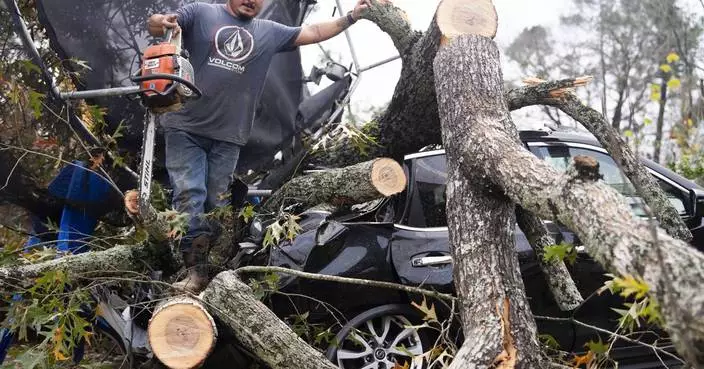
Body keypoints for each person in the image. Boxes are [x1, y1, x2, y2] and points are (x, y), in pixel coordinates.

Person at [126, 0, 371, 293]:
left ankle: (214, 264)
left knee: (217, 203)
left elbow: (315, 31)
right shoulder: (200, 12)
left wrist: (352, 17)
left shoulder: (268, 31)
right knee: (190, 194)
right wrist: (161, 21)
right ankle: (195, 273)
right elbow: (157, 23)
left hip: (229, 135)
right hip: (185, 126)